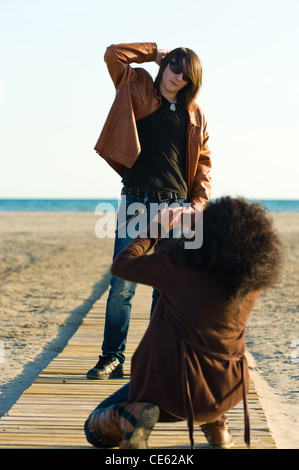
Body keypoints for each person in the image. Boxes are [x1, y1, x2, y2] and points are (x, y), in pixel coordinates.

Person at [84, 197, 283, 449]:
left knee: (94, 428)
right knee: (206, 367)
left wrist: (156, 229)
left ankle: (132, 418)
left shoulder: (177, 266)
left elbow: (122, 265)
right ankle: (216, 424)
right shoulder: (250, 281)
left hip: (170, 389)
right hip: (227, 390)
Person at [87, 42, 212, 380]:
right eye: (174, 67)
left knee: (166, 289)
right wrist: (153, 52)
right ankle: (111, 357)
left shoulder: (195, 114)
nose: (178, 77)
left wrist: (197, 205)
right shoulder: (138, 85)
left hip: (177, 207)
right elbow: (113, 54)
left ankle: (155, 362)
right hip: (136, 200)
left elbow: (202, 164)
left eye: (187, 75)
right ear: (165, 65)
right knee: (122, 283)